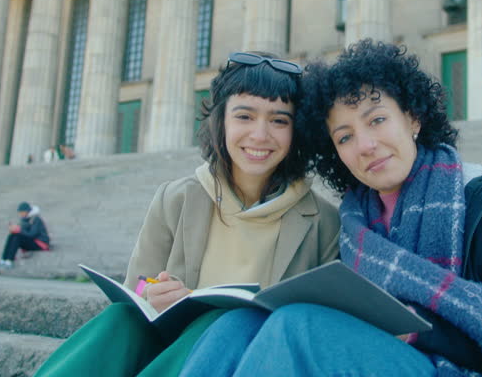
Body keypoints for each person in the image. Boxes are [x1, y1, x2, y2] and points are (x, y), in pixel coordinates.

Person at [178, 40, 482, 377]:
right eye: (344, 137)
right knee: (237, 323)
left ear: (414, 119)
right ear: (334, 153)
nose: (366, 145)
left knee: (298, 328)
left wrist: (419, 333)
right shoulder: (355, 228)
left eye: (377, 119)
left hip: (454, 368)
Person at [33, 51, 340, 377]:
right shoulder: (175, 198)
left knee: (223, 321)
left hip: (247, 363)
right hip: (168, 347)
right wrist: (151, 293)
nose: (260, 135)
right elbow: (135, 288)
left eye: (279, 120)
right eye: (244, 116)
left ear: (298, 131)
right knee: (120, 319)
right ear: (220, 121)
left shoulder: (323, 221)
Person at [0, 202, 50, 269]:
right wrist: (14, 229)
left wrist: (19, 230)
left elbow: (32, 234)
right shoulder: (24, 219)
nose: (21, 214)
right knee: (12, 235)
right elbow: (23, 232)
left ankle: (9, 261)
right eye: (20, 212)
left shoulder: (36, 219)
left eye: (22, 212)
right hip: (31, 241)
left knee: (17, 237)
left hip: (40, 244)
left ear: (27, 211)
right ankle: (3, 259)